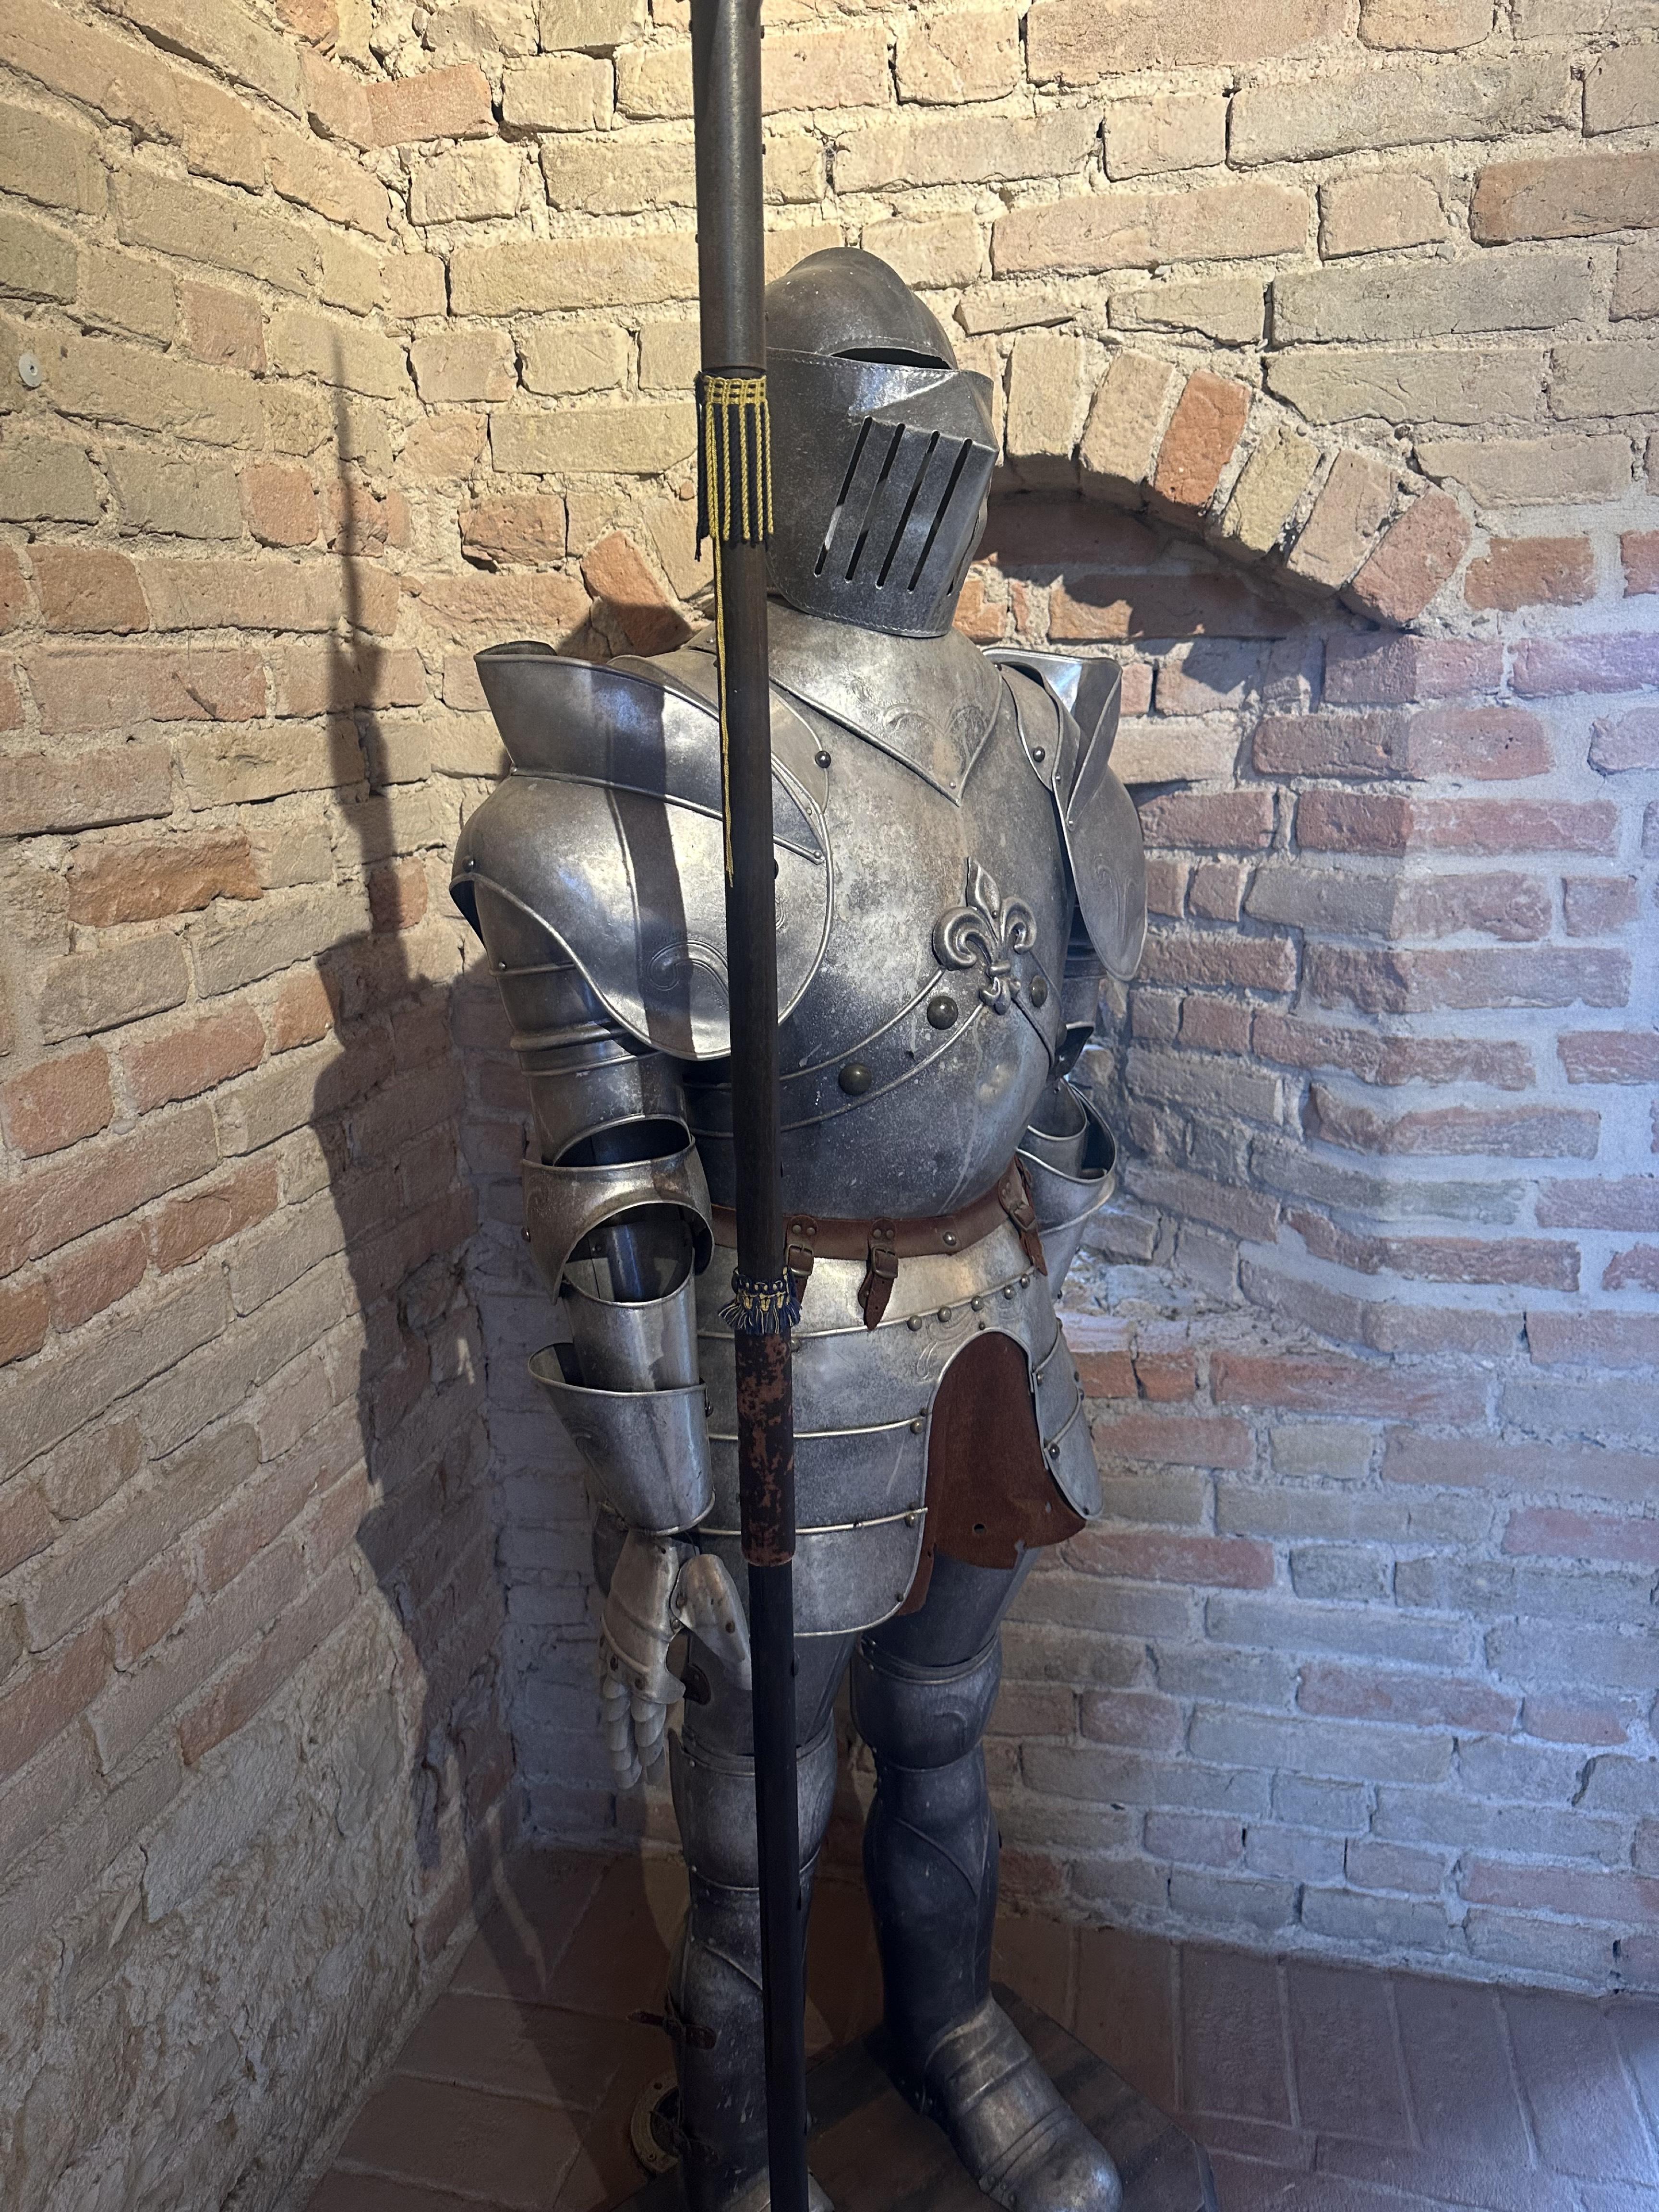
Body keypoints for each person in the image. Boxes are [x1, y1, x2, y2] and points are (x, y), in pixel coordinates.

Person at [452, 248, 1146, 2212]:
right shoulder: (648, 770)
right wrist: (662, 1517)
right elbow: (614, 1192)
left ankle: (951, 2027)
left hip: (989, 1321)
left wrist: (1019, 1264)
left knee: (941, 1726)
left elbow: (1075, 1054)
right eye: (882, 399)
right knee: (758, 1806)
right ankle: (748, 2147)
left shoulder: (1031, 731)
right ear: (761, 448)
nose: (931, 442)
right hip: (784, 1348)